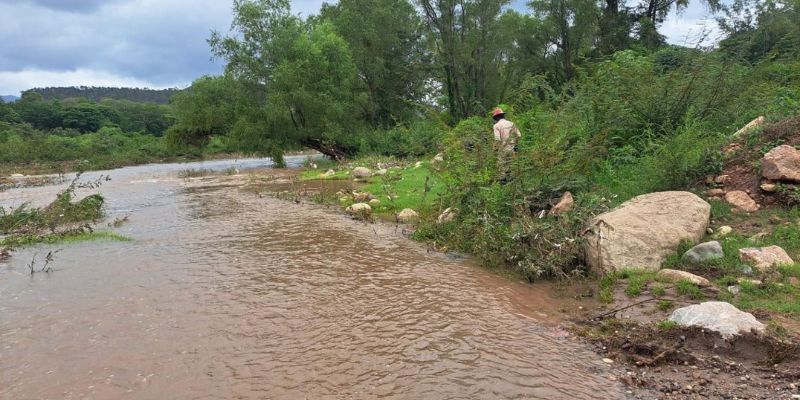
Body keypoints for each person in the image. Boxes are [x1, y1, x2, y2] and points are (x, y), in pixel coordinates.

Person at [491, 107, 521, 183]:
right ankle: (512, 184)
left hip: (502, 149)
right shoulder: (511, 123)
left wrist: (495, 148)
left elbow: (497, 139)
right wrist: (515, 145)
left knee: (501, 167)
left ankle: (503, 184)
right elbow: (519, 135)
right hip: (512, 147)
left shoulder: (496, 126)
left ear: (496, 118)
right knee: (511, 165)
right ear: (503, 116)